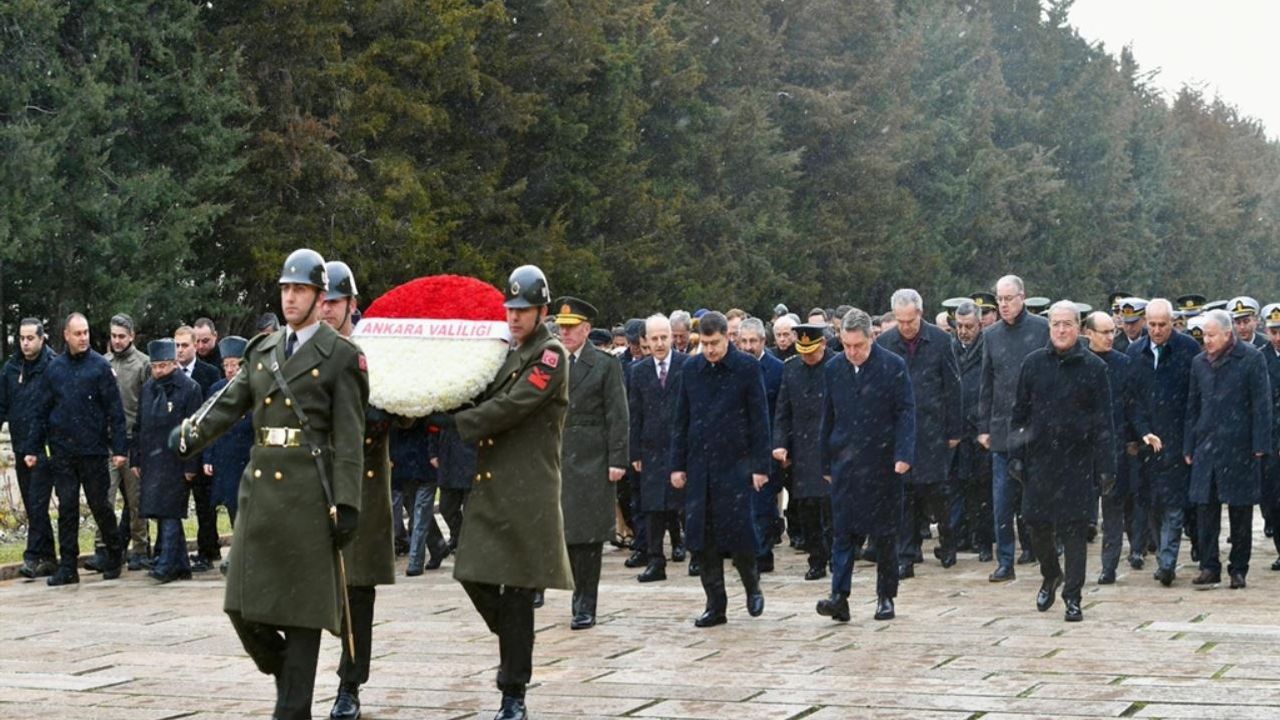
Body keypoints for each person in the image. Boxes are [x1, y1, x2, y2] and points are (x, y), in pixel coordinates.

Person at [170, 248, 369, 720]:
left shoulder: (342, 357)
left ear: (320, 297)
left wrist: (348, 502)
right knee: (240, 605)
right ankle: (288, 673)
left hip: (309, 496)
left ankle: (293, 706)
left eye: (300, 289)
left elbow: (349, 437)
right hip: (260, 494)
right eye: (285, 289)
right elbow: (228, 403)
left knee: (302, 613)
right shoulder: (263, 351)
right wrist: (189, 436)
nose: (290, 297)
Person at [432, 264, 572, 720]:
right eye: (510, 309)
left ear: (542, 312)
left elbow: (513, 406)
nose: (514, 317)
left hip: (528, 489)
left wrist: (457, 423)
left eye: (523, 310)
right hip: (493, 486)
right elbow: (482, 394)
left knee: (517, 595)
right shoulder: (508, 353)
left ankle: (514, 694)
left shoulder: (550, 355)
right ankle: (516, 641)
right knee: (471, 572)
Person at [319, 259, 396, 720]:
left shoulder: (375, 349)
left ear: (352, 303)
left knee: (357, 588)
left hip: (362, 476)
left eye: (335, 301)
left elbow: (397, 408)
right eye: (322, 300)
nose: (327, 309)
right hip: (314, 477)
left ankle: (350, 683)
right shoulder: (305, 348)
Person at [1010, 302, 1115, 622]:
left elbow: (1104, 422)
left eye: (1067, 324)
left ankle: (1073, 596)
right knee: (1035, 523)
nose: (1061, 329)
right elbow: (1019, 414)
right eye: (1055, 324)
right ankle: (1051, 574)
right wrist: (1015, 455)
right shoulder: (1033, 364)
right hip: (1039, 460)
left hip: (1078, 461)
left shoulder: (1095, 368)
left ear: (1079, 328)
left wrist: (1106, 466)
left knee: (1074, 530)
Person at [670, 311, 769, 628]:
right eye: (705, 343)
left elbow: (759, 419)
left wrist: (760, 466)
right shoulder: (691, 369)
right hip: (700, 466)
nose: (710, 350)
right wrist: (677, 464)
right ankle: (716, 604)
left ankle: (752, 585)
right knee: (703, 541)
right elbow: (681, 419)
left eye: (715, 343)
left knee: (740, 535)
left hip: (736, 465)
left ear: (728, 337)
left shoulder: (746, 367)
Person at [817, 308, 915, 622]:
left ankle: (886, 596)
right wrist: (825, 462)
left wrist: (903, 454)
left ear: (871, 338)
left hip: (883, 463)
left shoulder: (893, 366)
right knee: (842, 533)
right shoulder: (834, 368)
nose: (852, 352)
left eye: (858, 346)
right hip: (844, 463)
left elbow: (905, 412)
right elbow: (828, 416)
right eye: (846, 346)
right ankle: (839, 596)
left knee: (884, 534)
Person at [25, 313, 128, 586]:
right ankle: (68, 566)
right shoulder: (54, 369)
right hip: (63, 452)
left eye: (86, 333)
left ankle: (115, 554)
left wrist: (120, 449)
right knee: (67, 509)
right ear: (66, 336)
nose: (83, 338)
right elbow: (41, 411)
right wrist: (33, 448)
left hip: (93, 450)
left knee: (100, 506)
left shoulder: (100, 367)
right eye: (78, 333)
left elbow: (115, 411)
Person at [553, 296, 629, 630]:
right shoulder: (551, 362)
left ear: (586, 329)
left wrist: (617, 458)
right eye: (561, 327)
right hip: (557, 459)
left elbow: (618, 414)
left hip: (592, 461)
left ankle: (585, 604)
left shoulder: (604, 364)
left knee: (588, 538)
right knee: (566, 535)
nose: (565, 333)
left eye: (571, 328)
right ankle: (571, 594)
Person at [1184, 309, 1273, 589]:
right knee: (1205, 510)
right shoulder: (1199, 362)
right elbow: (1192, 406)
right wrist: (1189, 444)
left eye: (1212, 335)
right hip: (1206, 446)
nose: (1207, 341)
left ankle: (1239, 568)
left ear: (1227, 334)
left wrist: (1260, 444)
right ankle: (1209, 566)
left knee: (1240, 511)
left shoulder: (1251, 358)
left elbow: (1262, 404)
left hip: (1239, 446)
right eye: (1204, 336)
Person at [877, 289, 961, 576]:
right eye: (900, 321)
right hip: (900, 431)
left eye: (910, 321)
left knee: (938, 493)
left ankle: (948, 542)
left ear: (920, 315)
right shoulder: (885, 343)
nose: (905, 327)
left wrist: (954, 429)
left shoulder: (940, 340)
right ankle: (906, 554)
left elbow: (953, 386)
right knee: (905, 494)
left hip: (933, 429)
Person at [978, 275, 1049, 582]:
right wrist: (983, 426)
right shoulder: (991, 335)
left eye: (1009, 299)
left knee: (1038, 497)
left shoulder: (1042, 329)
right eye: (1000, 300)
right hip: (1002, 429)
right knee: (1002, 501)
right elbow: (986, 383)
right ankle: (1005, 560)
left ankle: (1044, 551)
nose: (1004, 305)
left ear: (1023, 297)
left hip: (1036, 429)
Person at [1126, 298, 1199, 585]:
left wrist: (1189, 439)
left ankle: (1168, 562)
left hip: (1178, 439)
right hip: (1147, 444)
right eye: (1152, 325)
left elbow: (1194, 398)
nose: (1156, 331)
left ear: (1173, 323)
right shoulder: (1135, 352)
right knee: (1152, 504)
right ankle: (1162, 556)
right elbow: (1131, 399)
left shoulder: (1188, 350)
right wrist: (1143, 431)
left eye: (1162, 325)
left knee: (1174, 505)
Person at [132, 338, 203, 583]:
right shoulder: (148, 389)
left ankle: (166, 564)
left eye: (163, 366)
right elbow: (139, 425)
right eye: (155, 366)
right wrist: (136, 459)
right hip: (152, 459)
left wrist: (191, 465)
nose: (158, 371)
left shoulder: (190, 388)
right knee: (161, 512)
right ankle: (180, 564)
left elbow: (194, 431)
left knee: (171, 511)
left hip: (176, 460)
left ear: (173, 363)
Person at [629, 314, 689, 582]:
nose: (660, 343)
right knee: (653, 506)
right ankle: (655, 560)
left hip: (680, 446)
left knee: (685, 504)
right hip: (651, 448)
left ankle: (695, 554)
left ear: (672, 337)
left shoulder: (687, 365)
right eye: (654, 339)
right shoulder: (638, 371)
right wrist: (635, 452)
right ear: (646, 340)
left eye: (664, 337)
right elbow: (635, 414)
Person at [773, 323, 833, 580]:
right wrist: (780, 443)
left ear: (823, 344)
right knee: (807, 507)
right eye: (803, 351)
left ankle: (838, 555)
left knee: (832, 508)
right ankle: (816, 559)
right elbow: (783, 410)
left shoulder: (837, 366)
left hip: (832, 447)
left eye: (812, 351)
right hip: (803, 449)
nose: (807, 357)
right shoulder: (791, 369)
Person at [0, 318, 58, 578]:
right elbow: (2, 404)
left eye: (30, 338)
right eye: (22, 338)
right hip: (21, 444)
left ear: (41, 339)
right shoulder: (12, 368)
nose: (25, 343)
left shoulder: (53, 366)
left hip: (45, 446)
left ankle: (32, 556)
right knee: (32, 503)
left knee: (37, 501)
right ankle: (49, 557)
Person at [1082, 313, 1137, 585]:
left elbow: (1131, 405)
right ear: (1088, 333)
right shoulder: (1079, 362)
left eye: (1112, 331)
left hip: (1114, 445)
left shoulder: (1123, 363)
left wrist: (1134, 438)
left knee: (1113, 508)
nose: (1109, 337)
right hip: (1082, 447)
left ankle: (1109, 566)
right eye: (1103, 332)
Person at [104, 314, 151, 571]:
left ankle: (140, 548)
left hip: (133, 439)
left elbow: (148, 403)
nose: (117, 341)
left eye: (122, 336)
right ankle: (105, 547)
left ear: (131, 336)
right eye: (114, 336)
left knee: (136, 501)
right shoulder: (104, 363)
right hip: (110, 441)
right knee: (105, 497)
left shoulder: (143, 364)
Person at [738, 316, 785, 572]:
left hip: (766, 448)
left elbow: (782, 412)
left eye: (753, 341)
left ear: (763, 341)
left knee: (762, 504)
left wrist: (781, 445)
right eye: (743, 341)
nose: (748, 347)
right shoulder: (732, 368)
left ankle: (763, 554)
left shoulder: (778, 370)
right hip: (738, 448)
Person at [174, 324, 222, 571]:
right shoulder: (171, 373)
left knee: (205, 504)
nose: (180, 350)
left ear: (195, 346)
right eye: (177, 346)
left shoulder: (209, 373)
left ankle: (208, 549)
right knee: (174, 503)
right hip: (179, 445)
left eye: (185, 345)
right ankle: (174, 552)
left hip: (203, 444)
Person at [950, 302, 993, 562]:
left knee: (982, 490)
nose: (963, 332)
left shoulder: (989, 347)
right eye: (959, 326)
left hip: (980, 430)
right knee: (956, 487)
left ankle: (983, 540)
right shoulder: (949, 347)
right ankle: (956, 538)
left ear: (980, 325)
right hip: (956, 430)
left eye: (969, 326)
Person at [202, 336, 253, 531]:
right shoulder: (216, 389)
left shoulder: (255, 390)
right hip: (224, 456)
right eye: (226, 365)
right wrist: (208, 457)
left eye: (235, 365)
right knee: (231, 505)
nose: (230, 369)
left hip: (247, 456)